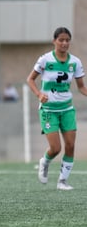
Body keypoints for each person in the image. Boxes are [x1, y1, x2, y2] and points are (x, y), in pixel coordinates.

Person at [26, 27, 87, 190]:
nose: (64, 43)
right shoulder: (45, 60)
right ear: (54, 41)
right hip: (48, 111)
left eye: (67, 40)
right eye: (61, 40)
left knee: (70, 146)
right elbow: (30, 79)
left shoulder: (75, 62)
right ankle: (44, 162)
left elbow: (81, 86)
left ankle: (62, 182)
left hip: (67, 109)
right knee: (56, 148)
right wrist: (39, 94)